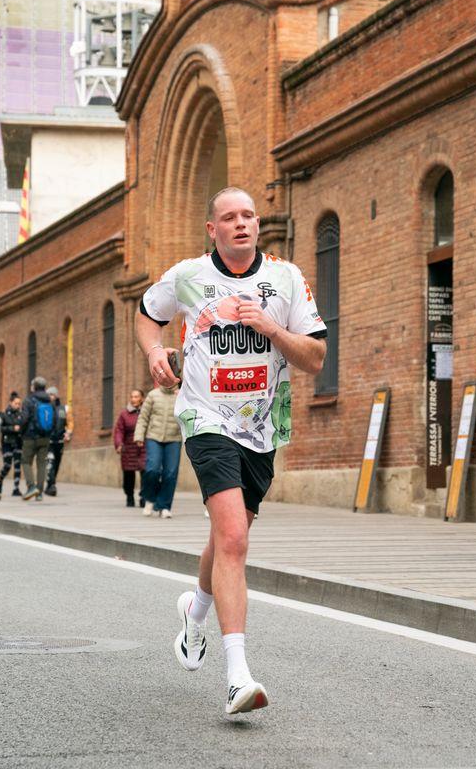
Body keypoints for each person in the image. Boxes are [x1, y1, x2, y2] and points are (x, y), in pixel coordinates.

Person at [135, 186, 326, 715]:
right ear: (212, 229)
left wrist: (270, 328)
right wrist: (155, 351)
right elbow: (147, 313)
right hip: (205, 418)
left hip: (263, 426)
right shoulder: (188, 276)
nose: (241, 224)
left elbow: (315, 358)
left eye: (248, 216)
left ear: (257, 224)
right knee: (235, 538)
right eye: (229, 217)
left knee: (227, 538)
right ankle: (237, 676)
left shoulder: (287, 279)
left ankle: (194, 613)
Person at [133, 383, 180, 518]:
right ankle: (150, 499)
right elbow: (143, 417)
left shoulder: (181, 396)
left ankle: (164, 506)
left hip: (174, 438)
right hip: (154, 437)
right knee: (152, 470)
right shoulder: (153, 395)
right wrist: (139, 436)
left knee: (170, 473)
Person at [19, 377, 54, 501]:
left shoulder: (28, 400)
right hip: (45, 437)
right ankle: (39, 493)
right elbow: (54, 420)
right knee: (41, 464)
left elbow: (24, 419)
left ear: (34, 387)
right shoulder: (49, 401)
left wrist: (21, 431)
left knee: (25, 461)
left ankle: (31, 487)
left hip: (30, 436)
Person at [113, 389, 147, 507]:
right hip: (128, 448)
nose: (133, 399)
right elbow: (119, 430)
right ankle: (129, 496)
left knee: (146, 472)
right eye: (132, 397)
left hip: (144, 447)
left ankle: (144, 497)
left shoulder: (147, 412)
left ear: (142, 399)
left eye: (136, 397)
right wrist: (119, 444)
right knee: (128, 474)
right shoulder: (124, 414)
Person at [44, 385, 71, 496]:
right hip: (48, 441)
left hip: (59, 441)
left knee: (57, 464)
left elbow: (70, 422)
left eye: (52, 394)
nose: (50, 396)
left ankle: (50, 485)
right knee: (50, 462)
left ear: (56, 395)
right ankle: (52, 486)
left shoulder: (64, 408)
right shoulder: (44, 408)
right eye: (48, 395)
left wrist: (68, 433)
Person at [0, 393, 24, 496]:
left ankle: (16, 488)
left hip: (18, 442)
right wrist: (12, 428)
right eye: (16, 403)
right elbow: (1, 428)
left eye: (19, 403)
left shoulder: (21, 415)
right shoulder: (4, 414)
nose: (18, 405)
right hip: (7, 443)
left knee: (17, 466)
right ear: (10, 403)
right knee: (7, 465)